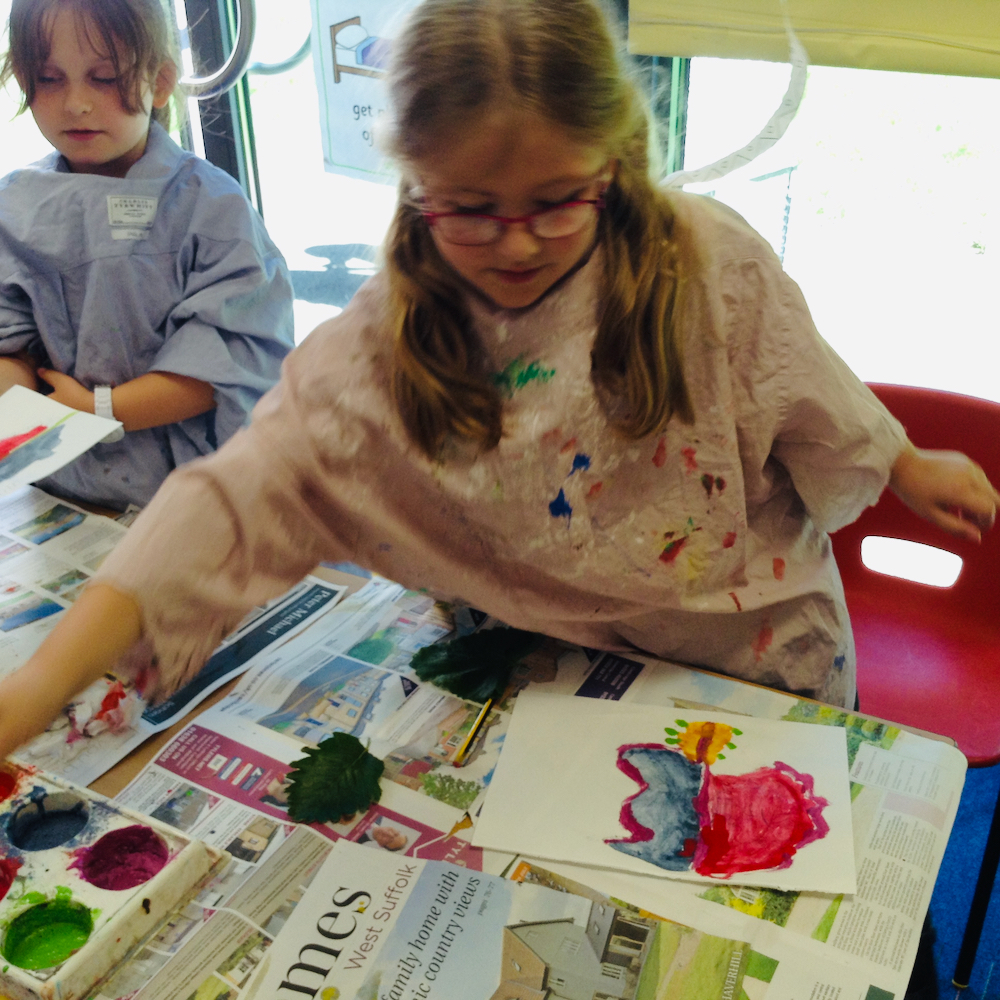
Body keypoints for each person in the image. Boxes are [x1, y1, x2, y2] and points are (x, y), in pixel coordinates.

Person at [0, 0, 996, 754]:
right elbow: (231, 498)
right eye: (470, 206)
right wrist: (39, 682)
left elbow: (809, 388)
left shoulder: (706, 265)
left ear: (610, 161)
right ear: (413, 178)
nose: (515, 244)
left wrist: (904, 462)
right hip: (550, 670)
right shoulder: (387, 334)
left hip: (754, 660)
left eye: (558, 201)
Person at [0, 0, 294, 510]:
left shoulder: (211, 207)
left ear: (159, 82)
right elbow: (11, 339)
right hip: (66, 488)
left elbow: (229, 359)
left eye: (104, 77)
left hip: (191, 490)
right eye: (49, 79)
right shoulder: (16, 206)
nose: (75, 103)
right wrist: (15, 398)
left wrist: (100, 409)